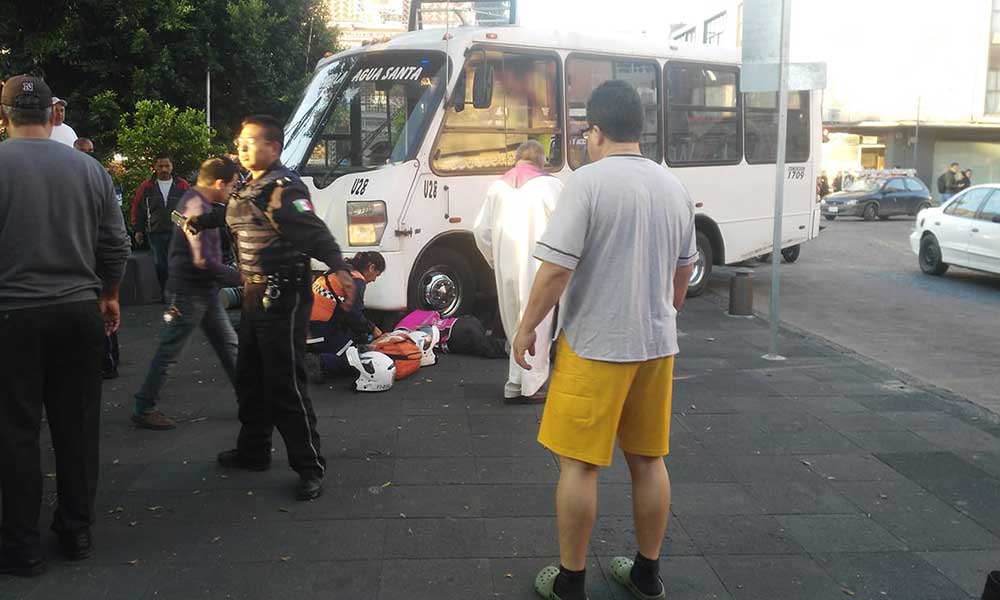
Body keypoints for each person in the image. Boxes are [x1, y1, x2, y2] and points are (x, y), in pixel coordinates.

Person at [511, 80, 696, 600]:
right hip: (656, 345)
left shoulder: (588, 184)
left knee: (579, 465)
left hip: (595, 345)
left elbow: (554, 272)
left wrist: (526, 327)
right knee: (648, 460)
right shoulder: (672, 187)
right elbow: (684, 271)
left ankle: (570, 582)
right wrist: (664, 311)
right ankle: (646, 573)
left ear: (594, 131)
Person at [0, 75, 130, 576]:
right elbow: (115, 242)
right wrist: (111, 293)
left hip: (11, 315)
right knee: (76, 426)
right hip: (78, 312)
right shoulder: (89, 169)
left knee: (15, 430)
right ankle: (76, 530)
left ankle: (21, 545)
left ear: (6, 114)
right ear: (52, 114)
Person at [201, 115, 355, 501]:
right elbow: (236, 211)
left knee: (284, 383)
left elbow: (311, 228)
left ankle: (310, 466)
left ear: (274, 147)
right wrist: (204, 220)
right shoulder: (249, 185)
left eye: (251, 141)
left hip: (282, 297)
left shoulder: (284, 187)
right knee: (250, 377)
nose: (242, 146)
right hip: (254, 295)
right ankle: (253, 451)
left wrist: (339, 266)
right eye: (240, 138)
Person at [131, 157, 244, 430]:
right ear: (219, 183)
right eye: (231, 185)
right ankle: (144, 407)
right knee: (170, 351)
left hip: (201, 292)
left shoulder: (198, 201)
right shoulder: (195, 206)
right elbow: (203, 261)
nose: (232, 191)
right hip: (188, 294)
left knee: (229, 346)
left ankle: (250, 399)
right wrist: (244, 278)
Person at [474, 139, 563, 403]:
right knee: (537, 322)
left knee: (514, 322)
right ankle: (531, 386)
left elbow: (480, 231)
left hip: (506, 265)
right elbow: (566, 227)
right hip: (540, 263)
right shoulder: (551, 185)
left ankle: (514, 382)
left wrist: (495, 260)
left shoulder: (497, 188)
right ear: (541, 161)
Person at [305, 251, 386, 382]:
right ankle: (322, 364)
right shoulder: (356, 281)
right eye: (377, 274)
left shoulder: (341, 270)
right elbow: (354, 316)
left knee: (352, 337)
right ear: (371, 267)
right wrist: (373, 329)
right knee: (356, 359)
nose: (374, 279)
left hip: (305, 323)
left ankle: (313, 352)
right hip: (319, 328)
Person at [131, 154, 190, 298]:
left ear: (172, 167)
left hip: (178, 231)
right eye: (160, 166)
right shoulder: (147, 186)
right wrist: (138, 229)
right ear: (155, 167)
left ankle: (176, 292)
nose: (164, 169)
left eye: (167, 166)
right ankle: (166, 291)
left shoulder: (182, 185)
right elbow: (138, 208)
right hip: (155, 231)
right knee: (161, 265)